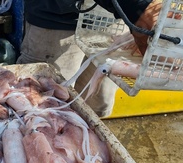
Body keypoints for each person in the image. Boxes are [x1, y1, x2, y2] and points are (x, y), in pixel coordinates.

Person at [16, 0, 162, 117]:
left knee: (96, 107)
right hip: (56, 20)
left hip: (115, 22)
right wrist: (140, 7)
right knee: (39, 104)